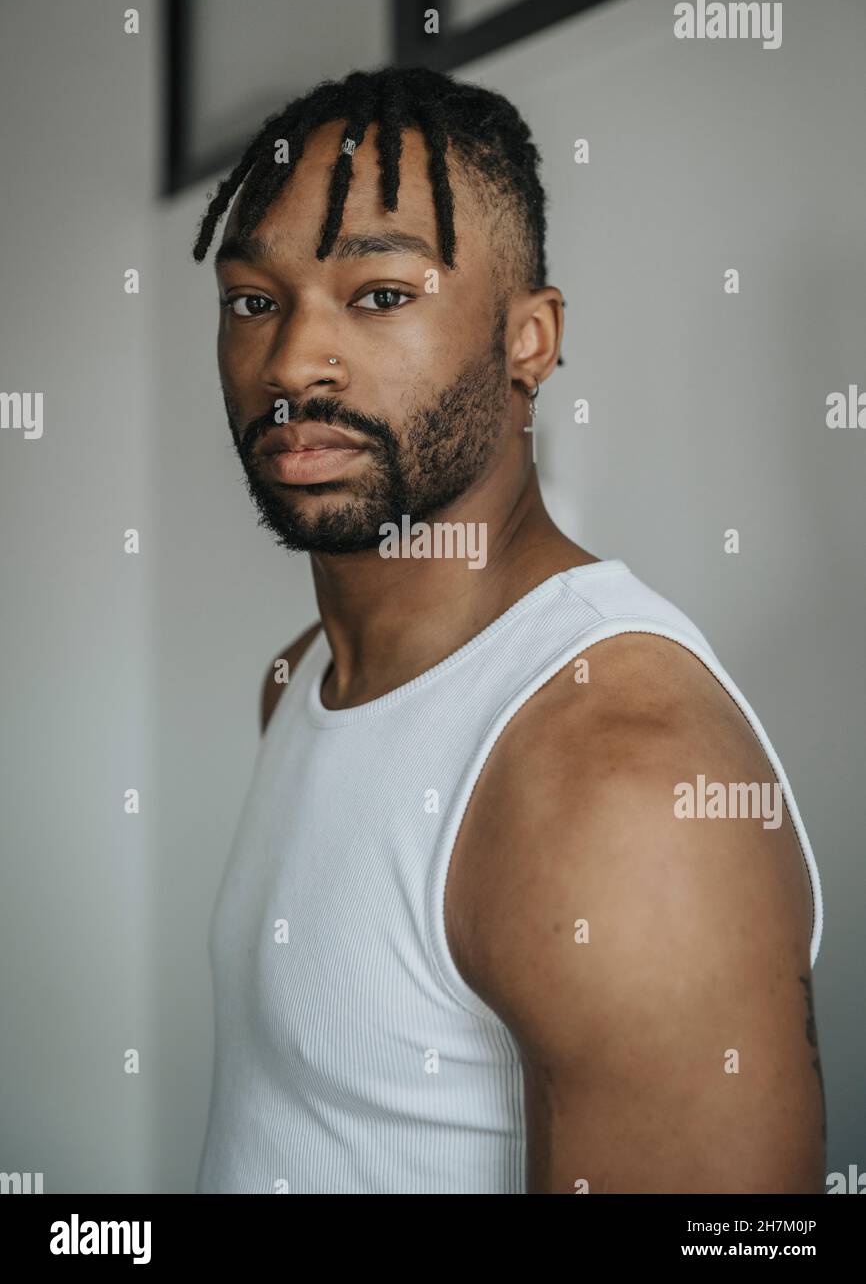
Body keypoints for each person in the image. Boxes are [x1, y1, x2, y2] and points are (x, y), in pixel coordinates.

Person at [192, 66, 825, 1194]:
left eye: (379, 293)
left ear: (528, 339)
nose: (291, 365)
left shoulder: (617, 777)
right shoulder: (300, 681)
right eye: (254, 300)